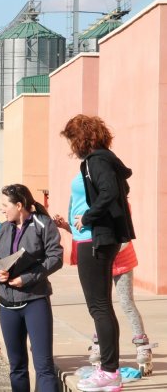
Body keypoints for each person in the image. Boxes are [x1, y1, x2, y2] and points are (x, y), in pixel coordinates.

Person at [60, 115, 135, 391]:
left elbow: (111, 192)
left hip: (95, 238)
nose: (71, 147)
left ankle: (109, 372)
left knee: (99, 306)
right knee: (101, 305)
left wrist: (88, 217)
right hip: (96, 238)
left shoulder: (96, 161)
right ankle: (108, 369)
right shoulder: (104, 159)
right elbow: (120, 189)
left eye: (72, 140)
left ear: (81, 138)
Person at [54, 173, 153, 376]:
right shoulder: (92, 207)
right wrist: (66, 226)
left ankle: (142, 344)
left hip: (120, 261)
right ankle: (100, 343)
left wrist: (107, 248)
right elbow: (84, 233)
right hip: (99, 260)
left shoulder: (119, 207)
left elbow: (123, 236)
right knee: (100, 304)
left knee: (126, 302)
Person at [0, 184, 63, 392]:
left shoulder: (43, 223)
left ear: (19, 205)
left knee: (44, 366)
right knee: (17, 367)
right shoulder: (5, 228)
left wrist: (28, 278)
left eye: (5, 205)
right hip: (7, 305)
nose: (2, 209)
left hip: (35, 300)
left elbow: (56, 258)